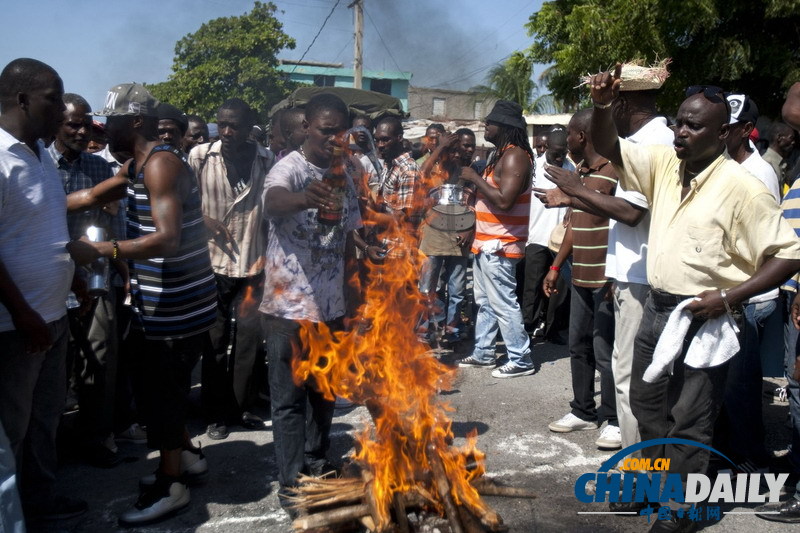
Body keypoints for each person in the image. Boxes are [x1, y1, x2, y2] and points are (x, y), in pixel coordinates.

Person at [590, 65, 800, 532]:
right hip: (658, 308)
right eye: (679, 122)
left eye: (693, 125)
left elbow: (788, 255)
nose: (680, 132)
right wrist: (604, 105)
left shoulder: (744, 187)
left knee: (691, 418)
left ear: (723, 132)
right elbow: (608, 147)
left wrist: (728, 296)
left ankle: (680, 511)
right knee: (647, 406)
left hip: (706, 317)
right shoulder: (666, 164)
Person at [79, 82, 217, 525]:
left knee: (163, 393)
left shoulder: (160, 165)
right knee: (157, 386)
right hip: (158, 301)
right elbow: (94, 196)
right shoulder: (136, 164)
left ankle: (171, 482)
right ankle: (190, 457)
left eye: (111, 121)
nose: (104, 128)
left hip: (178, 304)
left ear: (135, 121)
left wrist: (103, 251)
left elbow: (168, 239)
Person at [537, 60, 674, 473]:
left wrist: (575, 190)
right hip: (631, 274)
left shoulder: (652, 143)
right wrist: (573, 196)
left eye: (610, 103)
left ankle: (638, 471)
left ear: (624, 103)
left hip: (642, 277)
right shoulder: (646, 137)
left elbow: (632, 213)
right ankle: (642, 463)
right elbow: (605, 145)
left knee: (633, 378)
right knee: (630, 371)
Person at [260, 93, 362, 517]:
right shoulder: (290, 168)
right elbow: (272, 202)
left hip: (330, 306)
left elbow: (351, 237)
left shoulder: (347, 173)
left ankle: (318, 463)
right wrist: (306, 198)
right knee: (288, 402)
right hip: (288, 308)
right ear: (306, 128)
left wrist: (358, 294)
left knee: (324, 393)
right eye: (326, 130)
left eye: (341, 132)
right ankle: (291, 484)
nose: (335, 139)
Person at [47, 92, 127, 468]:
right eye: (72, 124)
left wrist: (120, 269)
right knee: (54, 365)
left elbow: (115, 222)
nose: (81, 131)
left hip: (94, 277)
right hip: (49, 279)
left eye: (85, 124)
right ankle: (51, 441)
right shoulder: (41, 165)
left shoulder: (99, 168)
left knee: (98, 357)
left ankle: (95, 436)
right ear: (56, 125)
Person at [192, 98, 270, 441]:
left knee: (250, 340)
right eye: (221, 124)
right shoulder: (199, 157)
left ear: (248, 125)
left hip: (254, 262)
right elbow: (180, 201)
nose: (226, 132)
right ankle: (214, 413)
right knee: (215, 340)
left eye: (234, 125)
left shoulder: (266, 160)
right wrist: (202, 219)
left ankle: (242, 407)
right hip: (214, 264)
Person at [542, 109, 619, 449]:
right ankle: (583, 410)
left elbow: (621, 217)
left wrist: (616, 274)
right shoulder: (581, 172)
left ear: (582, 137)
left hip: (607, 278)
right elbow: (574, 224)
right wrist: (556, 266)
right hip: (580, 275)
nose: (566, 139)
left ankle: (613, 419)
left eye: (570, 134)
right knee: (578, 346)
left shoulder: (616, 170)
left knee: (607, 352)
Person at [714, 93, 782, 473]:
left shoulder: (760, 173)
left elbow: (770, 240)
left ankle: (751, 460)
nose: (724, 133)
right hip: (733, 289)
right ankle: (729, 450)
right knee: (725, 380)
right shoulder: (726, 165)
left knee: (740, 383)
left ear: (745, 130)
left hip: (753, 292)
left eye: (732, 126)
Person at [456, 100, 536, 378]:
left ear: (504, 127)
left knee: (502, 302)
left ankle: (521, 358)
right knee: (486, 302)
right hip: (486, 242)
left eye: (490, 122)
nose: (485, 126)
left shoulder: (515, 156)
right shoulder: (500, 155)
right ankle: (484, 352)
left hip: (500, 245)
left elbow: (505, 202)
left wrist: (474, 179)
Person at [417, 129, 477, 344]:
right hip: (432, 238)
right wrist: (440, 147)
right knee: (427, 288)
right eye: (451, 150)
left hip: (459, 240)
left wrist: (470, 227)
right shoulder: (434, 169)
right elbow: (420, 176)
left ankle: (452, 330)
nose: (455, 155)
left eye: (458, 150)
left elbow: (474, 205)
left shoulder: (467, 173)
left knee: (457, 290)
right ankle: (426, 332)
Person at [522, 127, 574, 341]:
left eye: (563, 152)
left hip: (560, 241)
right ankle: (526, 328)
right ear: (548, 149)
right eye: (556, 152)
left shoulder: (572, 168)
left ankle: (551, 330)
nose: (560, 156)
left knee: (558, 291)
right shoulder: (534, 166)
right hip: (536, 236)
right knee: (532, 289)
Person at [372, 116, 422, 226]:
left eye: (385, 140)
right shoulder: (389, 163)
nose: (380, 145)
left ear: (399, 138)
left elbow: (404, 218)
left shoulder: (408, 169)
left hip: (397, 240)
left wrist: (369, 215)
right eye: (377, 140)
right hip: (382, 236)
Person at [763, 121, 796, 192]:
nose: (793, 142)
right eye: (791, 138)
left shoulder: (782, 164)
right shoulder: (767, 164)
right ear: (779, 138)